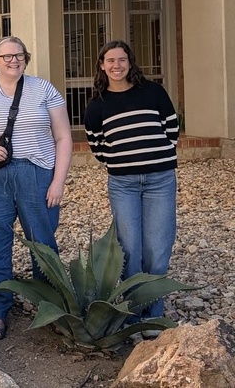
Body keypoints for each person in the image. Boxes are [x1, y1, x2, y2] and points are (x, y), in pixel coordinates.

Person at [0, 36, 72, 340]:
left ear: (26, 57)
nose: (13, 60)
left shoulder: (44, 89)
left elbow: (63, 137)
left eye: (19, 55)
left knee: (42, 240)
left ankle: (49, 305)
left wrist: (58, 181)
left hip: (36, 173)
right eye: (6, 56)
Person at [84, 40, 178, 321]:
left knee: (157, 250)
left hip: (160, 181)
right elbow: (98, 147)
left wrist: (154, 157)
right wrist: (124, 161)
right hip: (122, 184)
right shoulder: (96, 105)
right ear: (102, 65)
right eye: (110, 60)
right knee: (130, 249)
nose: (116, 65)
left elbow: (171, 129)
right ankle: (134, 314)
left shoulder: (153, 92)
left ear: (130, 62)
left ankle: (154, 312)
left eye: (122, 59)